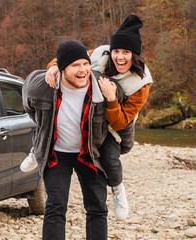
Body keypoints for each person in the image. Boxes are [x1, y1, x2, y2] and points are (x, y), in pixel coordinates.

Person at [24, 14, 153, 221]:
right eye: (116, 51)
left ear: (135, 55)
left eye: (126, 52)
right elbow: (70, 57)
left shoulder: (141, 84)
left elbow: (120, 123)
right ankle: (36, 152)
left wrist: (111, 100)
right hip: (86, 111)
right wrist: (54, 67)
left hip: (112, 123)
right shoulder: (100, 54)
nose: (120, 57)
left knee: (110, 160)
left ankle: (118, 190)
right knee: (50, 122)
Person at [22, 39, 129, 240]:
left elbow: (125, 120)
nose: (82, 70)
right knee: (55, 207)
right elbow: (29, 106)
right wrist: (43, 128)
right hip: (57, 153)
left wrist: (124, 147)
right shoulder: (42, 86)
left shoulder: (105, 87)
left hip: (90, 152)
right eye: (75, 65)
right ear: (61, 68)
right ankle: (35, 151)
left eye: (86, 63)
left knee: (97, 207)